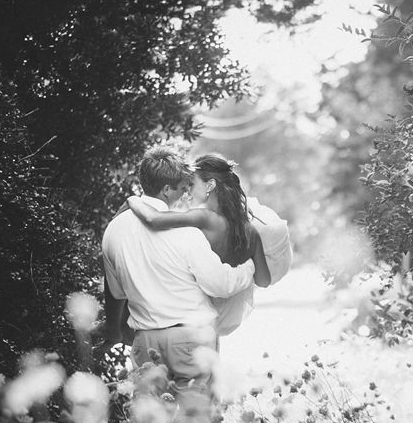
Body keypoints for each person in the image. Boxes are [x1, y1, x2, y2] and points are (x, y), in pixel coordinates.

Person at [101, 146, 255, 390]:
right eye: (183, 187)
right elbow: (221, 285)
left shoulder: (113, 231)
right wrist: (247, 269)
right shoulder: (186, 233)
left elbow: (118, 293)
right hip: (191, 340)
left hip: (146, 340)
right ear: (166, 190)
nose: (186, 192)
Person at [125, 153, 292, 337]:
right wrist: (248, 264)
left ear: (210, 185)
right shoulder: (249, 231)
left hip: (184, 316)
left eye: (192, 185)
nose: (188, 191)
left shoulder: (203, 218)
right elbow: (263, 281)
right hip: (215, 319)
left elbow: (153, 219)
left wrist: (133, 200)